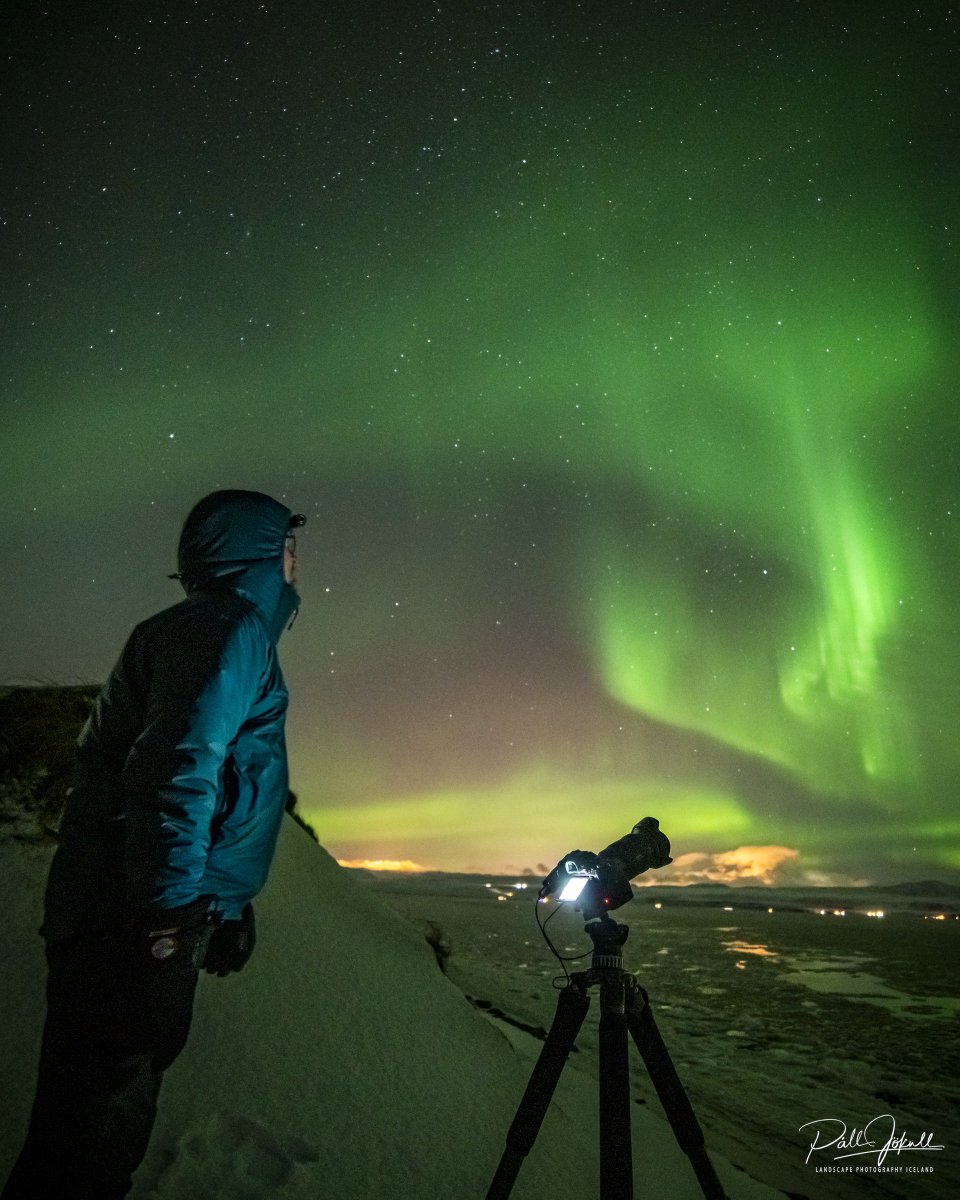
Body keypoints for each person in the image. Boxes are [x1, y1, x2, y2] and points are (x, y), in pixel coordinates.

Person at [2, 489, 305, 1200]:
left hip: (146, 913)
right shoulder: (225, 629)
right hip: (130, 924)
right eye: (289, 549)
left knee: (99, 1122)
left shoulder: (212, 628)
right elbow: (178, 768)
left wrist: (224, 906)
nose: (298, 565)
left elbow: (219, 779)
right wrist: (167, 918)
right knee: (88, 1142)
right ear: (257, 555)